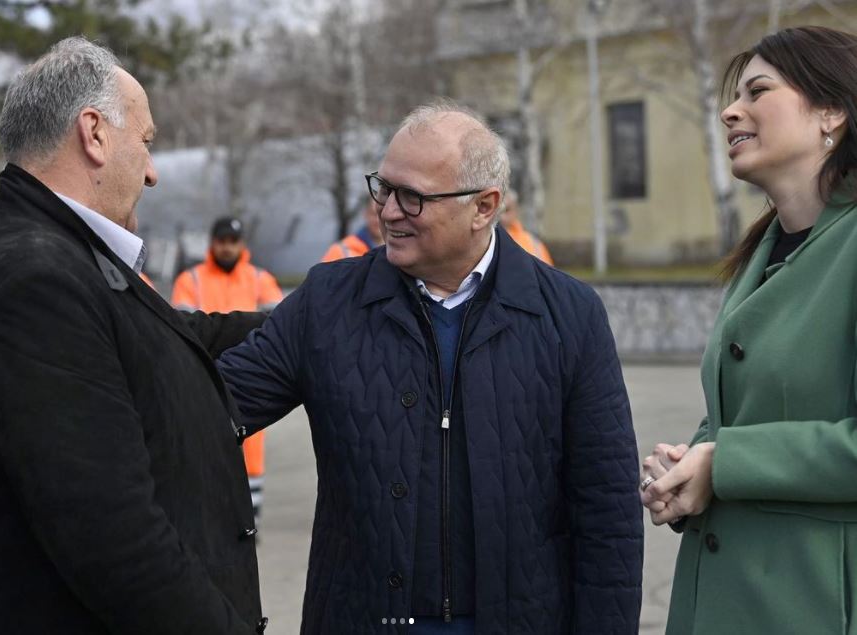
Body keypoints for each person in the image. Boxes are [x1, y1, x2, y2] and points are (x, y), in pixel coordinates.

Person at [218, 101, 643, 634]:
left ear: (484, 207)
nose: (388, 211)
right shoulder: (327, 301)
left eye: (413, 197)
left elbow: (607, 511)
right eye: (385, 188)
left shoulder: (569, 316)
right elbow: (208, 408)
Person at [0, 37, 268, 634]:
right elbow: (114, 538)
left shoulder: (52, 256)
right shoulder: (37, 277)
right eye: (147, 142)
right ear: (94, 134)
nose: (152, 172)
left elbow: (173, 339)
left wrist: (322, 312)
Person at [640, 26, 857, 635]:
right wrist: (688, 467)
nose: (731, 110)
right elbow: (743, 412)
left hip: (817, 604)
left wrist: (724, 462)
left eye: (759, 91)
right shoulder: (764, 247)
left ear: (831, 112)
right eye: (733, 96)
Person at [171, 216, 283, 523]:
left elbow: (280, 328)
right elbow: (183, 330)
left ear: (242, 244)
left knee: (251, 449)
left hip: (252, 376)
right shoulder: (189, 279)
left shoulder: (260, 278)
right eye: (222, 241)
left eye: (233, 241)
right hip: (203, 375)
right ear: (212, 243)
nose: (227, 247)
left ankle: (250, 517)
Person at [499, 189, 554, 265]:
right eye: (499, 210)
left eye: (506, 210)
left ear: (516, 210)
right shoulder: (483, 241)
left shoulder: (534, 243)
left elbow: (547, 274)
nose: (501, 216)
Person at [320, 198, 384, 261]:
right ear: (365, 214)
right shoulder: (340, 251)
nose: (378, 220)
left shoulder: (392, 254)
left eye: (382, 214)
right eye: (373, 214)